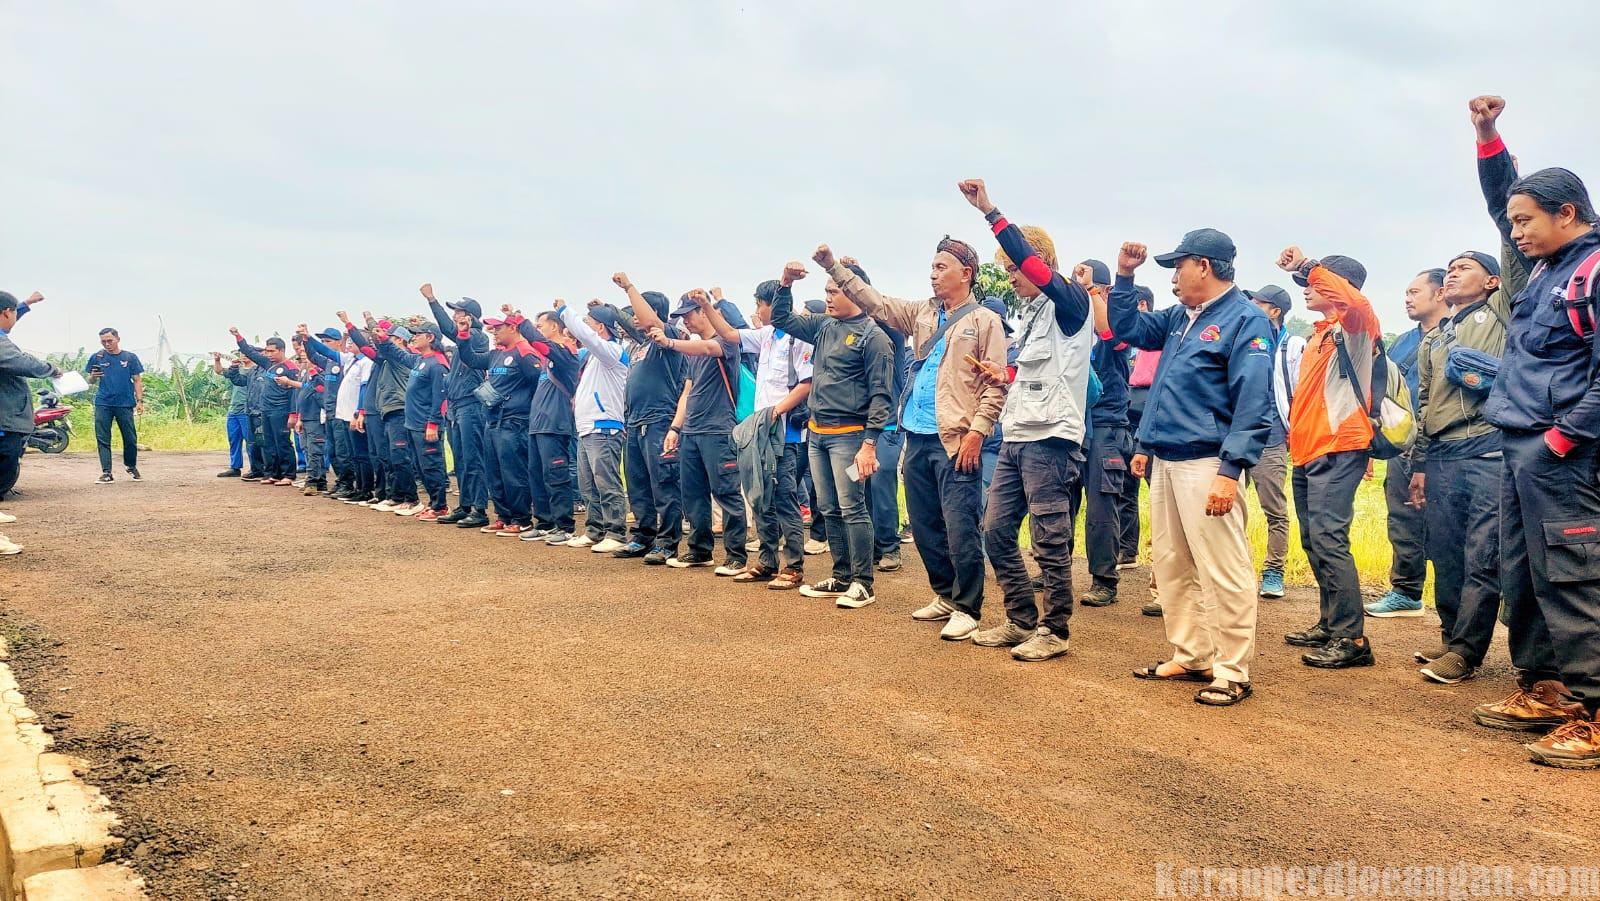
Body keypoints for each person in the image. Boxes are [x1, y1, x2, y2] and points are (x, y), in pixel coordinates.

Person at [1472, 94, 1600, 767]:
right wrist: (1488, 135)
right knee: (1524, 577)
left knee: (1574, 580)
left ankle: (1596, 711)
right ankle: (1546, 686)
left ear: (1568, 214)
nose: (1515, 231)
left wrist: (1560, 440)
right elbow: (1501, 201)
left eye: (1527, 221)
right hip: (1520, 446)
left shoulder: (1593, 270)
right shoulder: (1545, 267)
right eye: (1514, 222)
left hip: (1564, 454)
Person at [1112, 230, 1274, 707]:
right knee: (1172, 563)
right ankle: (1192, 654)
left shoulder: (1245, 320)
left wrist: (1231, 468)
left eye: (1177, 266)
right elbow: (1127, 329)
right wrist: (1124, 277)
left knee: (1223, 567)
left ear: (1203, 265)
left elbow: (1253, 401)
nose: (1173, 278)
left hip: (1207, 461)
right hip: (1165, 458)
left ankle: (1232, 669)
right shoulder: (1181, 318)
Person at [825, 231, 1009, 641]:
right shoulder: (923, 314)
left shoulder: (985, 320)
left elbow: (997, 384)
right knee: (925, 526)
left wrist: (978, 432)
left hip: (956, 440)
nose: (933, 275)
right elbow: (876, 302)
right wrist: (834, 268)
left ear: (966, 273)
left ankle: (967, 607)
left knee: (961, 527)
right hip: (917, 436)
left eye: (941, 267)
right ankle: (944, 595)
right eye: (931, 267)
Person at [957, 180, 1090, 661]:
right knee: (995, 530)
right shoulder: (1034, 313)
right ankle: (1020, 620)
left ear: (1039, 265)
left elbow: (1032, 263)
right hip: (1016, 434)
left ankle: (1056, 630)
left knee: (1050, 538)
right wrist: (1005, 372)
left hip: (1051, 439)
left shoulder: (1071, 301)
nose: (1011, 278)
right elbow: (1038, 365)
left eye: (1015, 268)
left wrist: (990, 212)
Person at [770, 258, 895, 609]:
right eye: (825, 291)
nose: (827, 297)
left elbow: (881, 396)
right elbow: (781, 319)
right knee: (829, 507)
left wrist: (869, 444)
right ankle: (841, 577)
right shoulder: (824, 326)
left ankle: (863, 583)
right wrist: (785, 284)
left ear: (856, 292)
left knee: (852, 507)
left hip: (851, 438)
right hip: (818, 435)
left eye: (834, 291)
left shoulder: (875, 338)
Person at [1278, 248, 1382, 669]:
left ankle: (1352, 639)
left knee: (1329, 539)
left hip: (1338, 446)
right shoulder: (1321, 334)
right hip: (1308, 449)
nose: (1306, 290)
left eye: (1316, 284)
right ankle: (1329, 622)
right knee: (1314, 539)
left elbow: (1354, 302)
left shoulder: (1355, 327)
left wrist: (1307, 266)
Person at [1407, 252, 1508, 685]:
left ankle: (1466, 652)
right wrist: (1420, 464)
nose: (1452, 271)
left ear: (1493, 282)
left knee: (1482, 554)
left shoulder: (1503, 312)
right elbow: (1427, 402)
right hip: (1443, 453)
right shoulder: (1435, 336)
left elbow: (1514, 252)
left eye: (1465, 266)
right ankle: (1451, 637)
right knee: (1444, 552)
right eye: (1449, 267)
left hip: (1489, 450)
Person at [702, 282, 812, 588]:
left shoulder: (798, 337)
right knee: (760, 495)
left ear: (773, 305)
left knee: (784, 497)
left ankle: (793, 566)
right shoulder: (766, 336)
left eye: (760, 305)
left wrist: (776, 412)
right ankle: (766, 560)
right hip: (760, 430)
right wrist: (708, 305)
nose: (757, 311)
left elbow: (806, 384)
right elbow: (729, 334)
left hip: (784, 432)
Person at [651, 290, 749, 574]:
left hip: (718, 429)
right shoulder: (692, 350)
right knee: (693, 494)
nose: (686, 322)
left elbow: (708, 349)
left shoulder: (725, 342)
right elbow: (687, 391)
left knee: (727, 493)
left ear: (704, 312)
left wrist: (671, 342)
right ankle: (699, 550)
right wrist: (675, 427)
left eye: (688, 315)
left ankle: (736, 556)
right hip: (692, 430)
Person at [1364, 272, 1440, 617]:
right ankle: (1407, 592)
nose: (1407, 299)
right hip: (1403, 446)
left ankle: (1459, 604)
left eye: (1414, 292)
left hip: (1444, 444)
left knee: (1447, 523)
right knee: (1402, 516)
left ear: (1440, 294)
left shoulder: (1460, 335)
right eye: (1405, 293)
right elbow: (1382, 395)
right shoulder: (1403, 342)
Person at [1070, 258, 1133, 610]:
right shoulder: (1076, 332)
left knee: (1101, 509)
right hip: (1075, 425)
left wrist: (1092, 291)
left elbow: (1110, 333)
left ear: (1104, 291)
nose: (1080, 289)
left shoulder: (1114, 328)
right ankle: (1056, 571)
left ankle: (1104, 580)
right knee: (1061, 502)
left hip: (1107, 427)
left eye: (1089, 284)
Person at [612, 277, 687, 564]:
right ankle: (643, 535)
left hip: (659, 421)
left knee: (664, 484)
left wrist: (628, 288)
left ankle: (668, 541)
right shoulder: (639, 347)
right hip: (634, 423)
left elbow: (650, 321)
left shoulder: (668, 338)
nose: (633, 318)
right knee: (638, 484)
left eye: (636, 312)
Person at [455, 311, 547, 536]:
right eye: (493, 329)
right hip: (493, 420)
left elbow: (539, 384)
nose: (494, 333)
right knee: (494, 472)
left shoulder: (525, 352)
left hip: (515, 422)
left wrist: (525, 409)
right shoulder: (496, 353)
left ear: (513, 328)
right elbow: (471, 359)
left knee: (514, 473)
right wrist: (464, 332)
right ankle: (503, 516)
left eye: (499, 328)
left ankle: (521, 519)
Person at [1242, 285, 1302, 600]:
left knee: (1274, 508)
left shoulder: (1292, 346)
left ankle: (1273, 572)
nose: (1251, 307)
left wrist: (1295, 430)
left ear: (1274, 310)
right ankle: (1236, 569)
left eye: (1258, 303)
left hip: (1272, 437)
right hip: (1238, 437)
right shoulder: (1247, 340)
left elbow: (1300, 391)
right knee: (1227, 508)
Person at [559, 300, 631, 554]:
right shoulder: (593, 357)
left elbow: (585, 336)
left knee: (607, 483)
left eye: (590, 323)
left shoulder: (612, 352)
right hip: (587, 427)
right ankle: (595, 529)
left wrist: (566, 312)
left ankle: (616, 532)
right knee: (588, 484)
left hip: (604, 427)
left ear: (600, 327)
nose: (586, 329)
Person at [363, 317, 451, 520]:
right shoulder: (420, 360)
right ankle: (432, 503)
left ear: (430, 338)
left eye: (418, 334)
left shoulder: (437, 364)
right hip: (413, 423)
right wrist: (383, 338)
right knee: (420, 465)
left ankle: (440, 506)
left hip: (425, 424)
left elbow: (441, 397)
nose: (414, 337)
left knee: (431, 465)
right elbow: (398, 354)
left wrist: (433, 423)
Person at [423, 286, 492, 528]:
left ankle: (480, 509)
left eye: (459, 312)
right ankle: (465, 505)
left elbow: (447, 329)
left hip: (471, 405)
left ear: (469, 317)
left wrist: (432, 301)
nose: (455, 316)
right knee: (461, 460)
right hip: (457, 406)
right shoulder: (464, 336)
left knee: (474, 459)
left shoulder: (476, 336)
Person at [517, 310, 582, 544]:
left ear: (555, 327)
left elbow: (540, 343)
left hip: (555, 423)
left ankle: (564, 526)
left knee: (556, 476)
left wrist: (519, 321)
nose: (537, 328)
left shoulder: (566, 355)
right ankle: (545, 523)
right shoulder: (546, 362)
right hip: (537, 424)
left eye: (540, 324)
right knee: (536, 475)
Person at [0, 292, 63, 528]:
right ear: (7, 312)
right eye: (14, 312)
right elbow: (20, 361)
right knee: (4, 464)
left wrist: (25, 305)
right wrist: (52, 369)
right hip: (4, 418)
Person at [345, 316, 420, 513]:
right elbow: (365, 347)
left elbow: (378, 345)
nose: (383, 341)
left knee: (400, 457)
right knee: (388, 457)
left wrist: (370, 322)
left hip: (399, 410)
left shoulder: (402, 358)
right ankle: (394, 495)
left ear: (400, 341)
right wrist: (350, 325)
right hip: (387, 411)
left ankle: (412, 499)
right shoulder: (386, 360)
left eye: (390, 338)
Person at [230, 329, 301, 486]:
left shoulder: (291, 368)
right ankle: (272, 474)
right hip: (265, 410)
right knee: (268, 443)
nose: (268, 354)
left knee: (282, 442)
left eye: (272, 351)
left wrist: (293, 414)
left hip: (281, 410)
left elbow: (295, 394)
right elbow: (249, 351)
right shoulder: (268, 364)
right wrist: (238, 336)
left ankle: (288, 474)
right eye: (267, 351)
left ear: (281, 350)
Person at [85, 328, 145, 484]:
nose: (107, 344)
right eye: (103, 341)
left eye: (109, 341)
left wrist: (140, 401)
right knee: (103, 437)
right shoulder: (97, 357)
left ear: (118, 339)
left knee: (130, 438)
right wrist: (92, 377)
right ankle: (106, 472)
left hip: (125, 403)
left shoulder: (130, 358)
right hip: (103, 402)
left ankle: (131, 466)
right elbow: (90, 381)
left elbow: (137, 380)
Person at [213, 351, 251, 478]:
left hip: (246, 410)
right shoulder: (237, 369)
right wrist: (217, 360)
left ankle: (255, 467)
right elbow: (219, 371)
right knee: (234, 439)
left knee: (250, 440)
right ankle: (235, 467)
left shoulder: (255, 371)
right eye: (242, 353)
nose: (243, 355)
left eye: (246, 353)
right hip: (233, 409)